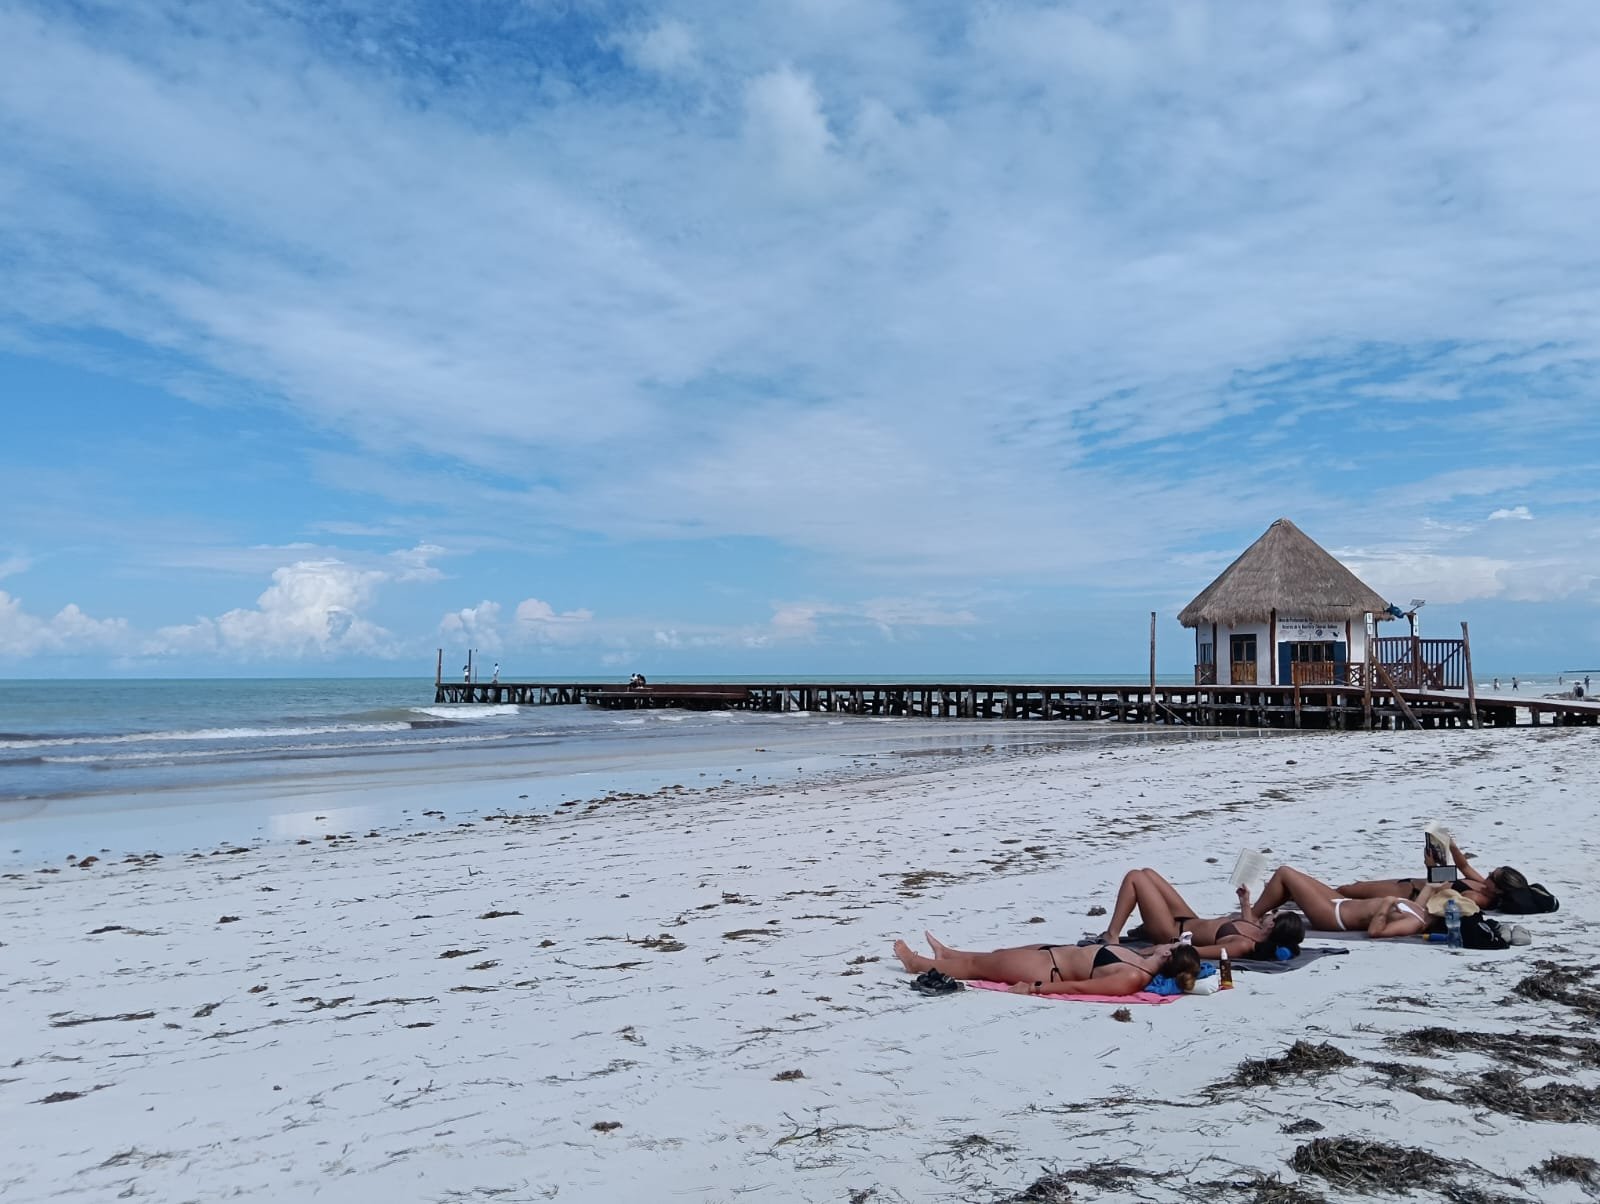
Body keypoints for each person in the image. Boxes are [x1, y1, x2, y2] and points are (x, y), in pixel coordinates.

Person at [893, 932, 1202, 997]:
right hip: (1052, 953)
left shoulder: (1133, 977)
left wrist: (1035, 988)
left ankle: (916, 963)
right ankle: (948, 954)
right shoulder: (1145, 957)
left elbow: (1081, 987)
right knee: (996, 953)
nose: (1169, 942)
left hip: (1047, 969)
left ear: (1167, 957)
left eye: (1173, 945)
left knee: (978, 967)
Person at [1097, 867, 1305, 961]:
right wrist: (1245, 902)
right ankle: (1143, 928)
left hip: (1171, 931)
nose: (1271, 913)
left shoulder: (1242, 945)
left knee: (1135, 877)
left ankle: (1112, 935)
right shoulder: (1258, 930)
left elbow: (1195, 951)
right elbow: (1245, 924)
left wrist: (1149, 951)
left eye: (1274, 914)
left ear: (1272, 926)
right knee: (1148, 873)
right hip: (1190, 919)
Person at [1336, 836, 1528, 911]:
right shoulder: (1485, 887)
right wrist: (1452, 845)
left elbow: (1443, 893)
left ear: (1500, 889)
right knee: (1351, 889)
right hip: (1411, 884)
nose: (1486, 875)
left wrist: (1431, 866)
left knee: (1347, 892)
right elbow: (1465, 868)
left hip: (1411, 893)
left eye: (1491, 876)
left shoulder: (1479, 898)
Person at [1253, 865, 1431, 937]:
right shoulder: (1421, 911)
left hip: (1333, 917)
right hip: (1341, 902)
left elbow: (1376, 932)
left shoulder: (1414, 922)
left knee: (1285, 873)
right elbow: (1431, 886)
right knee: (1291, 883)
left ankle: (1251, 917)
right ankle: (1256, 911)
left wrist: (1386, 904)